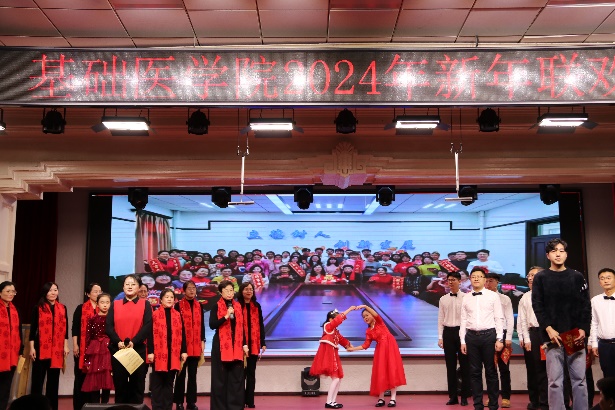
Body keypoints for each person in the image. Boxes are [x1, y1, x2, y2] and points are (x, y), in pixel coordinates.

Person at [532, 238, 591, 410]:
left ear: (566, 254)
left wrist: (583, 328)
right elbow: (538, 305)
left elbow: (585, 305)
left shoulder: (577, 276)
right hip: (553, 336)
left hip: (574, 334)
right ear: (548, 255)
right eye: (554, 251)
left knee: (579, 380)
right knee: (555, 382)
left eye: (561, 250)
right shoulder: (541, 277)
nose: (558, 254)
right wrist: (548, 328)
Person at [460, 267, 504, 410]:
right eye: (473, 276)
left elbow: (499, 317)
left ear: (484, 279)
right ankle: (477, 405)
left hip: (489, 336)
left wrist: (499, 339)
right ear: (470, 279)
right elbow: (463, 320)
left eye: (479, 276)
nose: (476, 279)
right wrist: (462, 341)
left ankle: (493, 405)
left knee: (491, 371)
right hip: (471, 337)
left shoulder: (493, 296)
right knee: (474, 372)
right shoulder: (466, 297)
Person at [347, 305, 406, 407]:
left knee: (392, 371)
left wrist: (365, 306)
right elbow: (365, 345)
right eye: (363, 317)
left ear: (372, 315)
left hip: (390, 348)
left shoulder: (379, 322)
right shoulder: (368, 331)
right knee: (380, 372)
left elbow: (376, 314)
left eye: (367, 315)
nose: (365, 318)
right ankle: (381, 398)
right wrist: (352, 349)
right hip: (380, 351)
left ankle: (393, 399)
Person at [106, 274, 152, 404]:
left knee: (137, 389)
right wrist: (118, 342)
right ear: (123, 287)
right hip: (119, 351)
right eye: (127, 284)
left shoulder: (145, 304)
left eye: (133, 284)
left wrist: (134, 342)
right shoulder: (115, 304)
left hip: (137, 351)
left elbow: (147, 326)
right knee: (120, 389)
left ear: (139, 287)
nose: (130, 286)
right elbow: (108, 326)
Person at [29, 282, 69, 410]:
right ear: (45, 292)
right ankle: (36, 407)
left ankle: (51, 407)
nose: (53, 293)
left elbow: (65, 330)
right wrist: (32, 348)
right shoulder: (38, 308)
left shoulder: (63, 308)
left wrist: (66, 346)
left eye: (55, 290)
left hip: (56, 350)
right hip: (40, 348)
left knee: (53, 382)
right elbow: (33, 330)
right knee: (37, 382)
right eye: (50, 290)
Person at [210, 280, 249, 410]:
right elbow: (212, 325)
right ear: (221, 292)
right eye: (226, 290)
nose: (229, 293)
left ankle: (235, 406)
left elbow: (242, 327)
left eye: (231, 290)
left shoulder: (238, 306)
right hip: (220, 346)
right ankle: (220, 407)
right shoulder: (216, 306)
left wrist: (244, 344)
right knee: (220, 379)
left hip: (236, 345)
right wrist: (226, 316)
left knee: (236, 378)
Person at [148, 289, 188, 410]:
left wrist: (184, 351)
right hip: (159, 354)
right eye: (167, 297)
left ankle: (167, 407)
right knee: (157, 384)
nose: (169, 299)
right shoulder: (155, 314)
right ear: (161, 299)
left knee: (169, 384)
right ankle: (157, 407)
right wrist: (150, 352)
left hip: (173, 354)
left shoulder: (177, 315)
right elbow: (150, 335)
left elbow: (182, 334)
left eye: (171, 297)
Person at [310, 306, 356, 409]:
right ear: (331, 319)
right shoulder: (327, 326)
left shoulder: (334, 331)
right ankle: (329, 402)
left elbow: (342, 339)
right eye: (336, 317)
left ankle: (333, 401)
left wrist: (349, 346)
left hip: (333, 353)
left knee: (338, 378)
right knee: (336, 378)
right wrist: (349, 309)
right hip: (329, 354)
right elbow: (338, 321)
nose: (338, 320)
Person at [437, 272, 470, 407]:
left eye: (453, 280)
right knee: (450, 366)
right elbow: (440, 319)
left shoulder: (467, 297)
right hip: (448, 333)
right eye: (449, 280)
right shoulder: (443, 299)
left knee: (465, 366)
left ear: (460, 281)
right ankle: (453, 396)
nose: (450, 282)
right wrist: (440, 337)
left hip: (463, 333)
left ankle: (465, 396)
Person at [517, 266, 548, 410]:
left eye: (533, 275)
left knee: (548, 369)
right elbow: (522, 320)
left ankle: (546, 401)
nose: (529, 278)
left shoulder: (550, 294)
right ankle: (535, 400)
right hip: (533, 334)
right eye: (529, 275)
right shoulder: (525, 297)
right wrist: (525, 338)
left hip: (548, 334)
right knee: (533, 369)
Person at [173, 280, 205, 410]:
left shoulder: (199, 305)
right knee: (180, 375)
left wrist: (203, 340)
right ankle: (179, 402)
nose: (192, 290)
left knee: (193, 376)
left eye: (193, 288)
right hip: (182, 346)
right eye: (189, 288)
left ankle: (191, 402)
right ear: (184, 291)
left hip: (196, 345)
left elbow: (202, 325)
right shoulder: (178, 305)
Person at [485, 273, 514, 408]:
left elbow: (509, 318)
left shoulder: (504, 298)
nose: (488, 284)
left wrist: (508, 337)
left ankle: (506, 397)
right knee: (490, 368)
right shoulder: (482, 298)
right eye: (486, 281)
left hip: (503, 334)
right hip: (487, 334)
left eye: (491, 281)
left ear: (497, 282)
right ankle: (492, 397)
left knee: (504, 367)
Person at [71, 282, 101, 410]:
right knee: (81, 379)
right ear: (88, 294)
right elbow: (75, 328)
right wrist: (75, 345)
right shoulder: (81, 308)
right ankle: (79, 406)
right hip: (82, 349)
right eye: (95, 291)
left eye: (100, 291)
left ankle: (94, 407)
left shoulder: (104, 308)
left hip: (98, 350)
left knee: (96, 379)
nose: (98, 293)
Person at [237, 283, 267, 408]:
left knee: (251, 374)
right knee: (240, 375)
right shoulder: (237, 305)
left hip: (254, 344)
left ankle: (250, 400)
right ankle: (239, 400)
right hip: (240, 345)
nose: (249, 291)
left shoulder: (256, 305)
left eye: (251, 289)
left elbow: (260, 324)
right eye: (246, 289)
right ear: (241, 291)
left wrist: (263, 342)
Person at [81, 293, 114, 404]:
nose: (105, 305)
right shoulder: (93, 319)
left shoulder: (113, 319)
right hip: (95, 350)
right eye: (102, 302)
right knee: (95, 379)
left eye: (107, 302)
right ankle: (95, 405)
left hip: (109, 349)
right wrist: (86, 359)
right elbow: (88, 338)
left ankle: (105, 405)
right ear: (97, 304)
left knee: (107, 378)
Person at [589, 268, 615, 378]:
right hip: (604, 345)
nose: (606, 280)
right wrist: (594, 343)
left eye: (609, 278)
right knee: (608, 377)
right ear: (599, 282)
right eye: (602, 278)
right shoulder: (595, 300)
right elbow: (593, 323)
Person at [0, 282, 22, 410]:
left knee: (6, 386)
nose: (11, 294)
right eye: (8, 291)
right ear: (0, 292)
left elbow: (18, 331)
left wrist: (20, 350)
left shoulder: (15, 310)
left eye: (13, 291)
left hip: (11, 354)